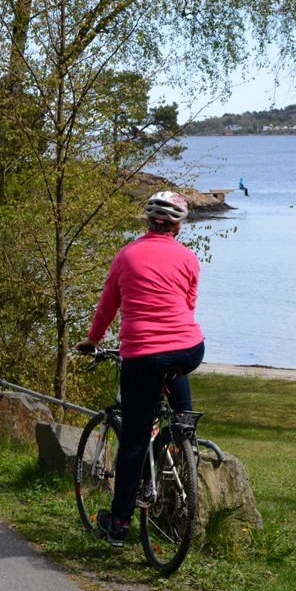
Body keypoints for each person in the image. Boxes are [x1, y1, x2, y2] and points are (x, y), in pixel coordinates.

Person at [75, 190, 205, 547]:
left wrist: (92, 339)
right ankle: (183, 438)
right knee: (179, 415)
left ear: (148, 221)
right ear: (177, 227)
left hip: (143, 355)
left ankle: (118, 524)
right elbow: (188, 305)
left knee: (134, 439)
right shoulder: (189, 258)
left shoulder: (126, 255)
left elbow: (108, 305)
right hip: (189, 349)